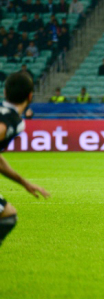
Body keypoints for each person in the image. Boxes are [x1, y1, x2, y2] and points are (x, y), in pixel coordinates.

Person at [0, 72, 51, 247]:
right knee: (7, 216)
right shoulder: (11, 120)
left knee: (7, 214)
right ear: (30, 96)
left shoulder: (9, 116)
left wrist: (24, 182)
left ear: (5, 93)